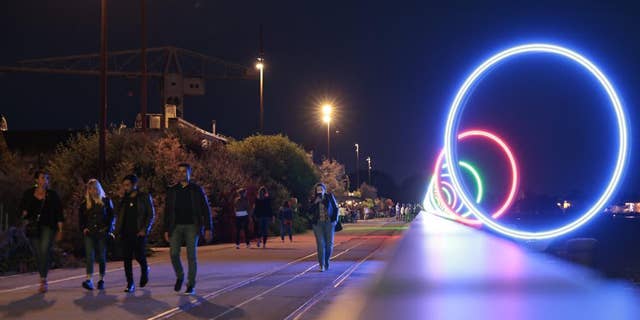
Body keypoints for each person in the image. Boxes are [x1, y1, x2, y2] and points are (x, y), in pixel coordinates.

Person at [164, 163, 213, 295]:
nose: (181, 174)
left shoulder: (196, 189)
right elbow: (167, 211)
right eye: (179, 172)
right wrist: (166, 229)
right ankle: (180, 276)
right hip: (176, 226)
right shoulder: (172, 190)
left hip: (192, 226)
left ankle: (190, 284)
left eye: (184, 171)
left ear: (189, 173)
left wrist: (208, 227)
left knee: (191, 256)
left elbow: (205, 209)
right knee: (173, 254)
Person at [18, 171, 64, 293]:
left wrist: (60, 229)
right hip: (33, 227)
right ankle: (42, 275)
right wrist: (24, 214)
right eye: (43, 177)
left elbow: (59, 212)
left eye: (47, 178)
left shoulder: (52, 195)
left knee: (44, 250)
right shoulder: (29, 193)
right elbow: (22, 208)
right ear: (37, 180)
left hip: (48, 226)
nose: (45, 180)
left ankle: (43, 280)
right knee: (37, 253)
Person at [115, 174, 155, 293]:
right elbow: (117, 214)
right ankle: (130, 283)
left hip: (139, 232)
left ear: (134, 185)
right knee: (127, 258)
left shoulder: (144, 197)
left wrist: (145, 229)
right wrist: (120, 199)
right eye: (124, 185)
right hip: (125, 232)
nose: (125, 188)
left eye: (127, 185)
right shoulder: (123, 199)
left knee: (139, 256)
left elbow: (150, 215)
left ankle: (145, 269)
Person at [79, 179, 115, 291]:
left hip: (101, 232)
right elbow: (81, 218)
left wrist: (108, 229)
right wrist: (83, 228)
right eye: (90, 188)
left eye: (95, 188)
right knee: (90, 255)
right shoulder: (85, 203)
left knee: (101, 256)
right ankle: (89, 279)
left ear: (98, 188)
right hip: (89, 232)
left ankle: (101, 279)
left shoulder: (106, 201)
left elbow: (112, 216)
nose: (93, 190)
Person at [309, 183, 339, 272]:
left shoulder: (329, 197)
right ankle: (321, 265)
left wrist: (335, 220)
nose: (319, 191)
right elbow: (309, 210)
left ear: (324, 190)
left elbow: (335, 208)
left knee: (329, 245)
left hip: (329, 223)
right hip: (318, 224)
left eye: (321, 189)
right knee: (320, 244)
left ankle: (326, 261)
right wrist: (315, 203)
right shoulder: (314, 199)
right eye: (318, 190)